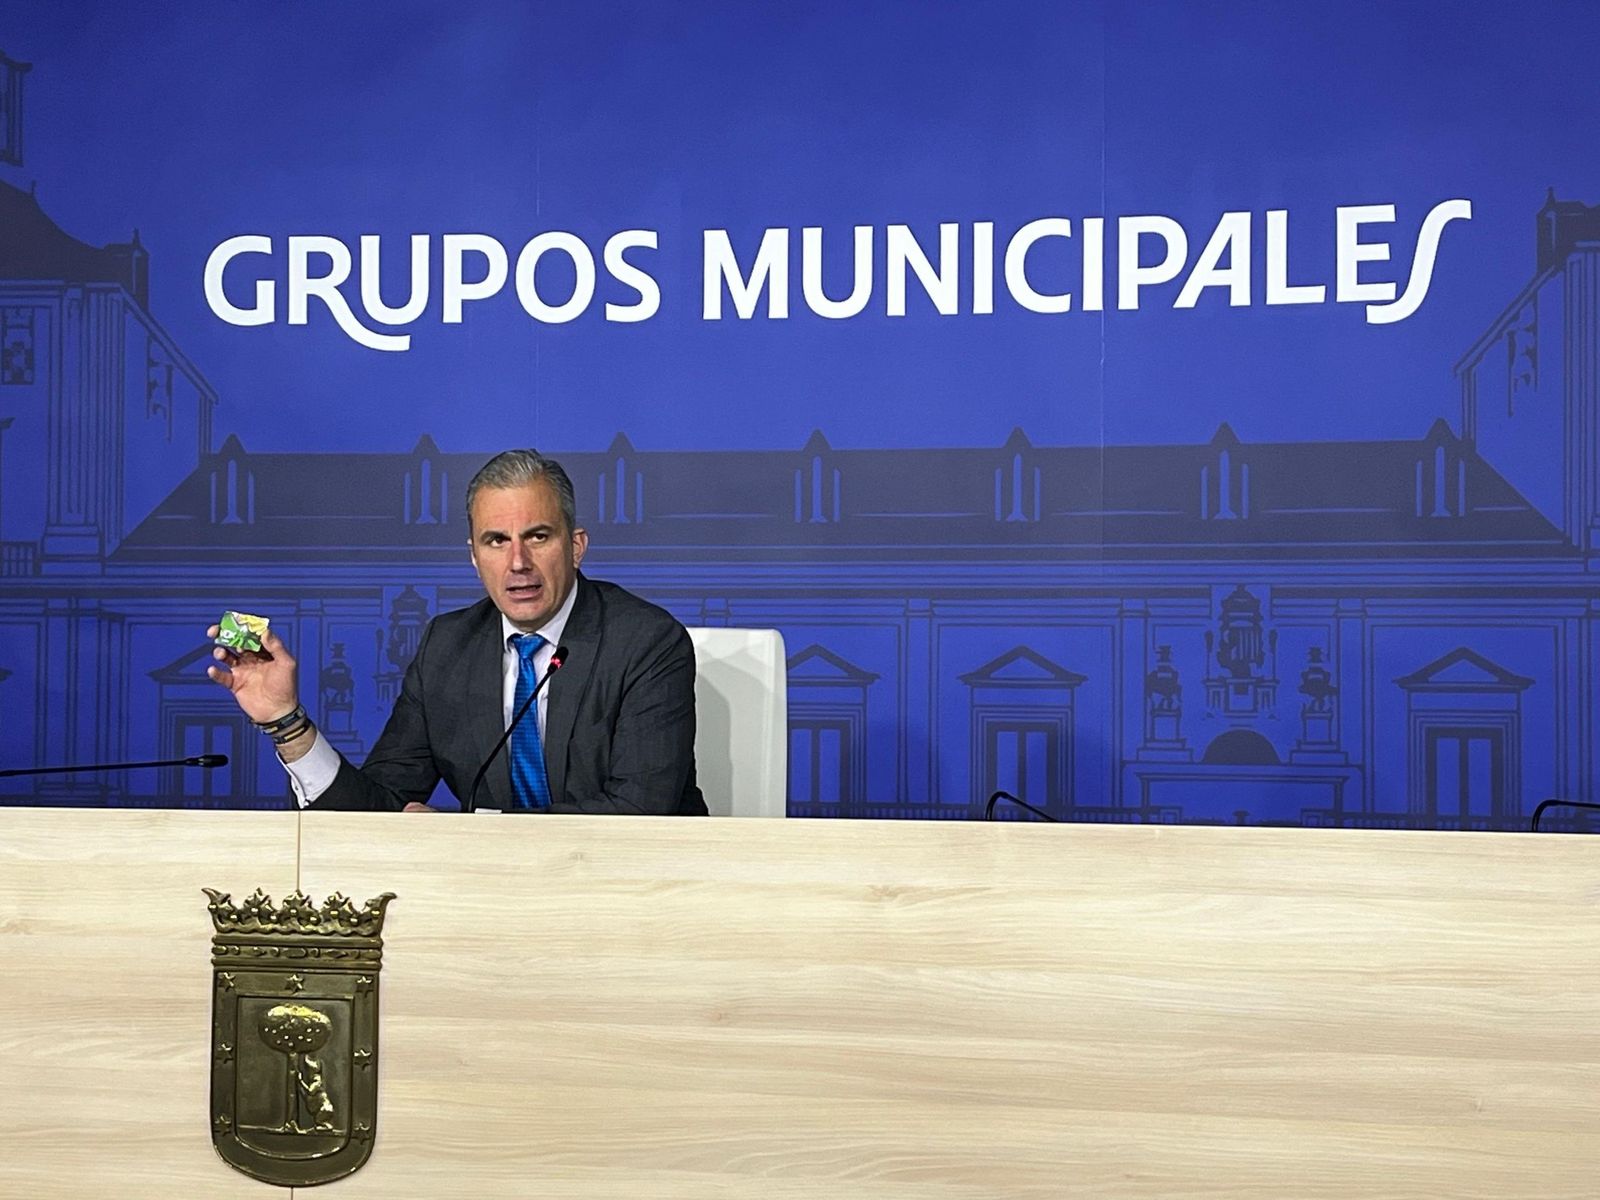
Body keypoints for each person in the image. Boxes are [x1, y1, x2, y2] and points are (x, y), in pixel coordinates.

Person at [207, 449, 707, 815]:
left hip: (633, 898)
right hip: (484, 905)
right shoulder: (448, 647)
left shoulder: (647, 642)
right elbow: (378, 811)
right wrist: (286, 722)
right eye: (496, 541)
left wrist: (474, 835)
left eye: (538, 536)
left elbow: (640, 812)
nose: (518, 563)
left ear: (575, 547)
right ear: (473, 555)